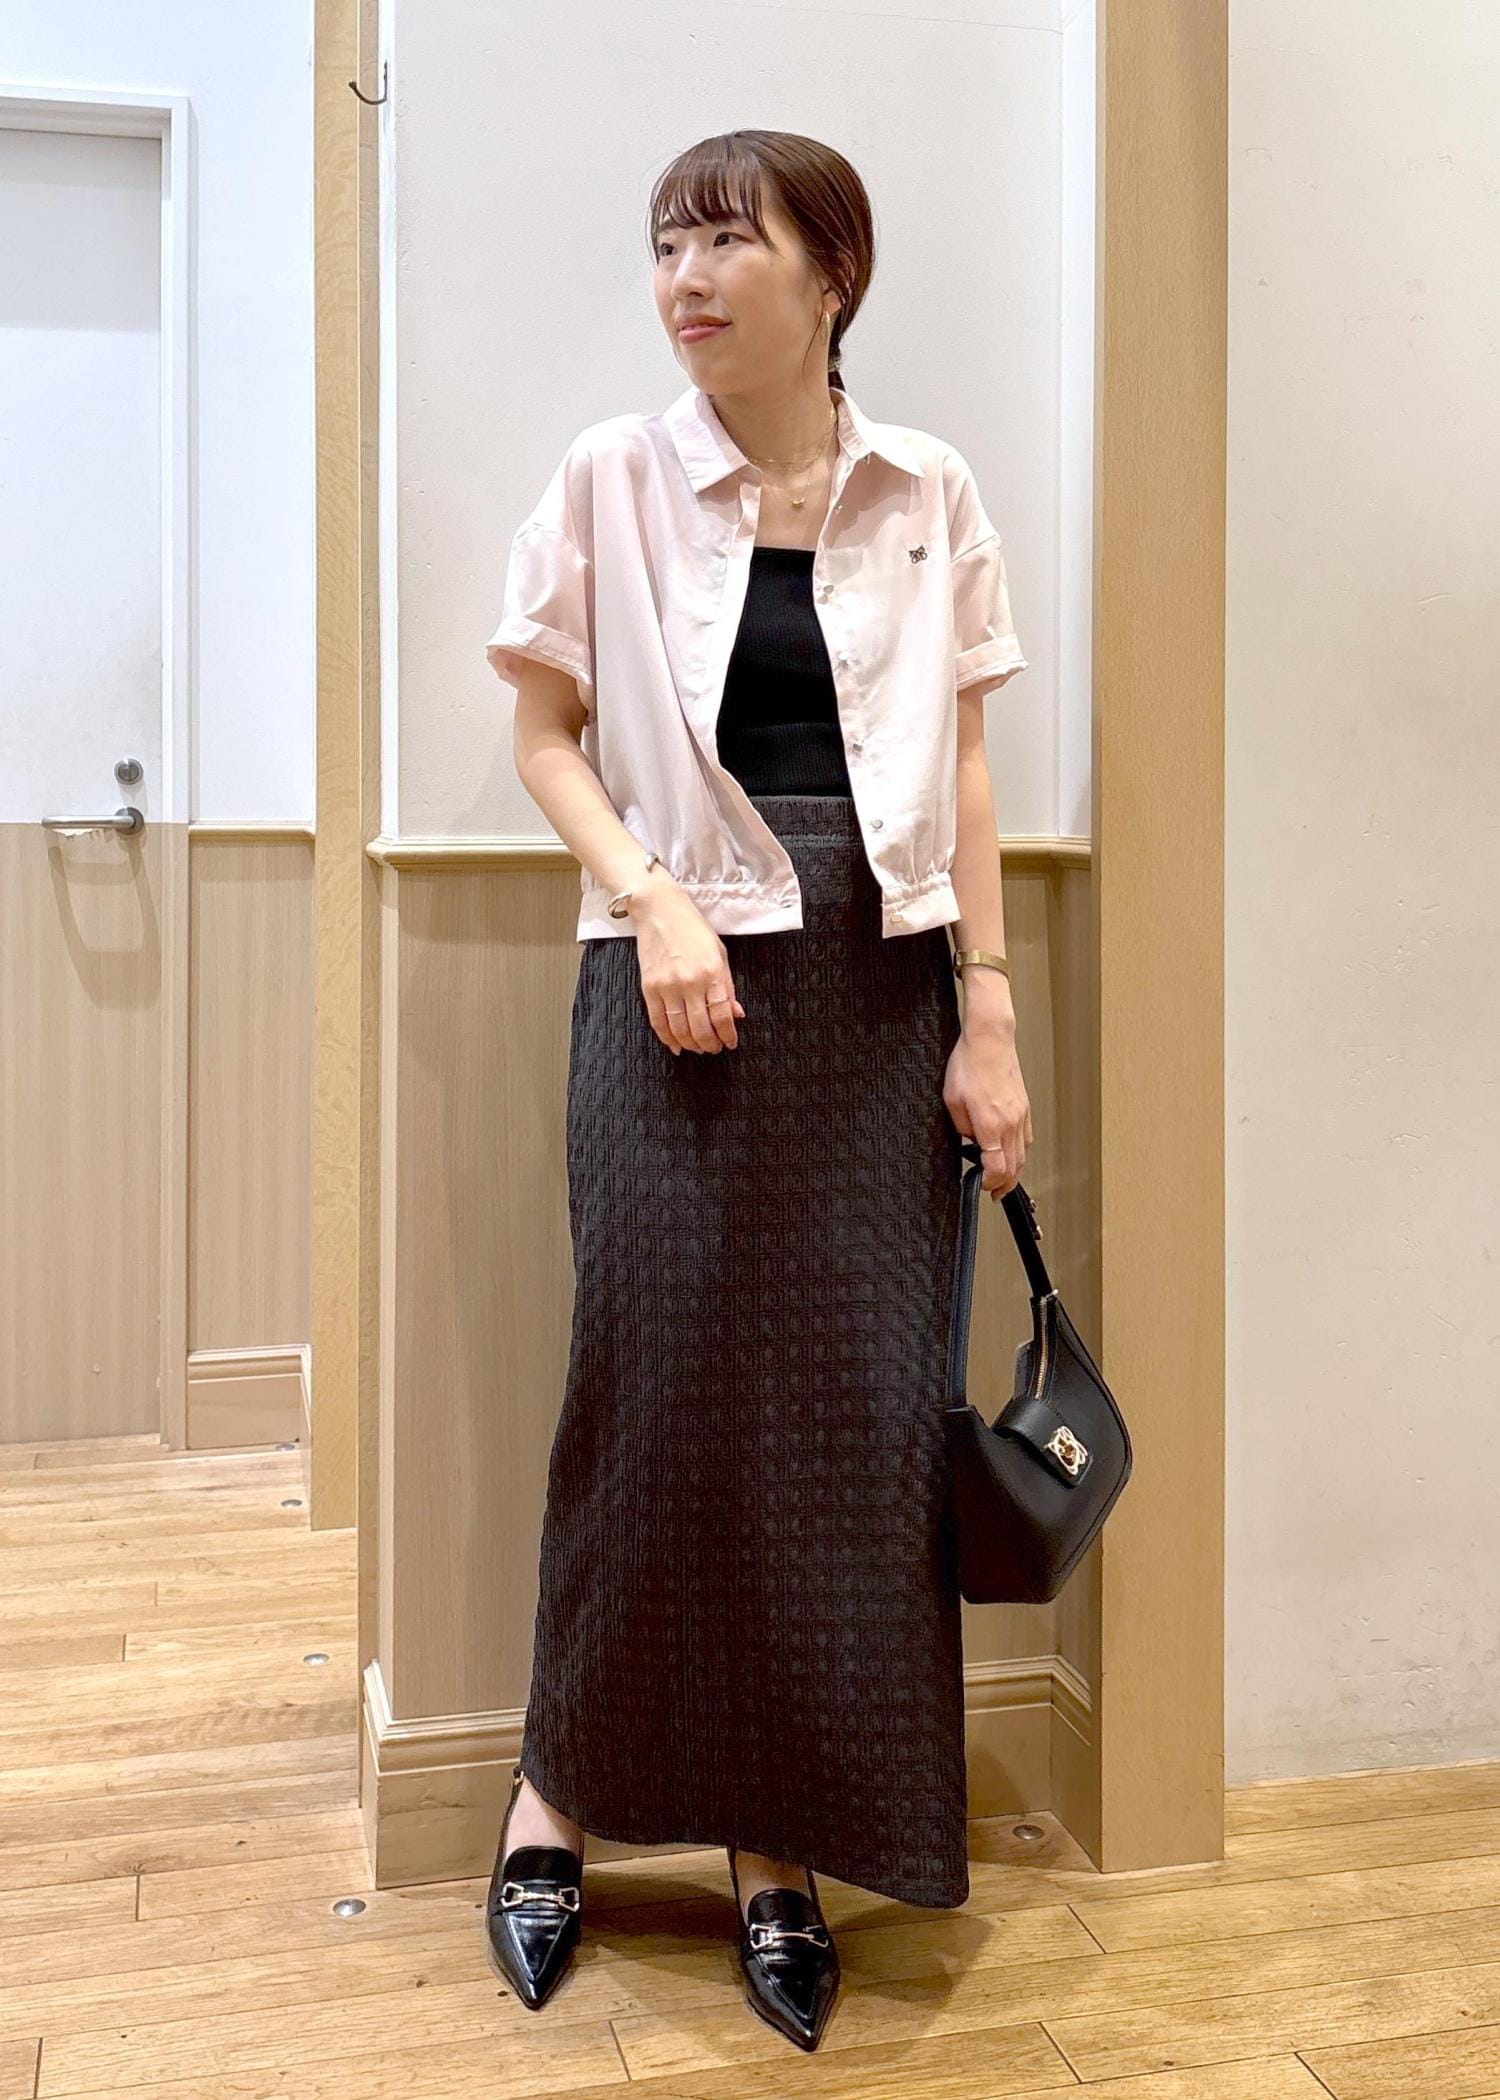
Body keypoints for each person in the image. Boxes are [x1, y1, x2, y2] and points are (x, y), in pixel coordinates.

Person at [480, 128, 1032, 2053]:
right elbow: (545, 738)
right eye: (668, 245)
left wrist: (987, 1016)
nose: (687, 278)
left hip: (878, 999)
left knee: (848, 1423)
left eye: (728, 240)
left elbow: (965, 774)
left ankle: (776, 1841)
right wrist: (653, 902)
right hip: (674, 980)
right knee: (648, 1394)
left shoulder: (928, 487)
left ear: (832, 273)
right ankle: (555, 1790)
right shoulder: (611, 476)